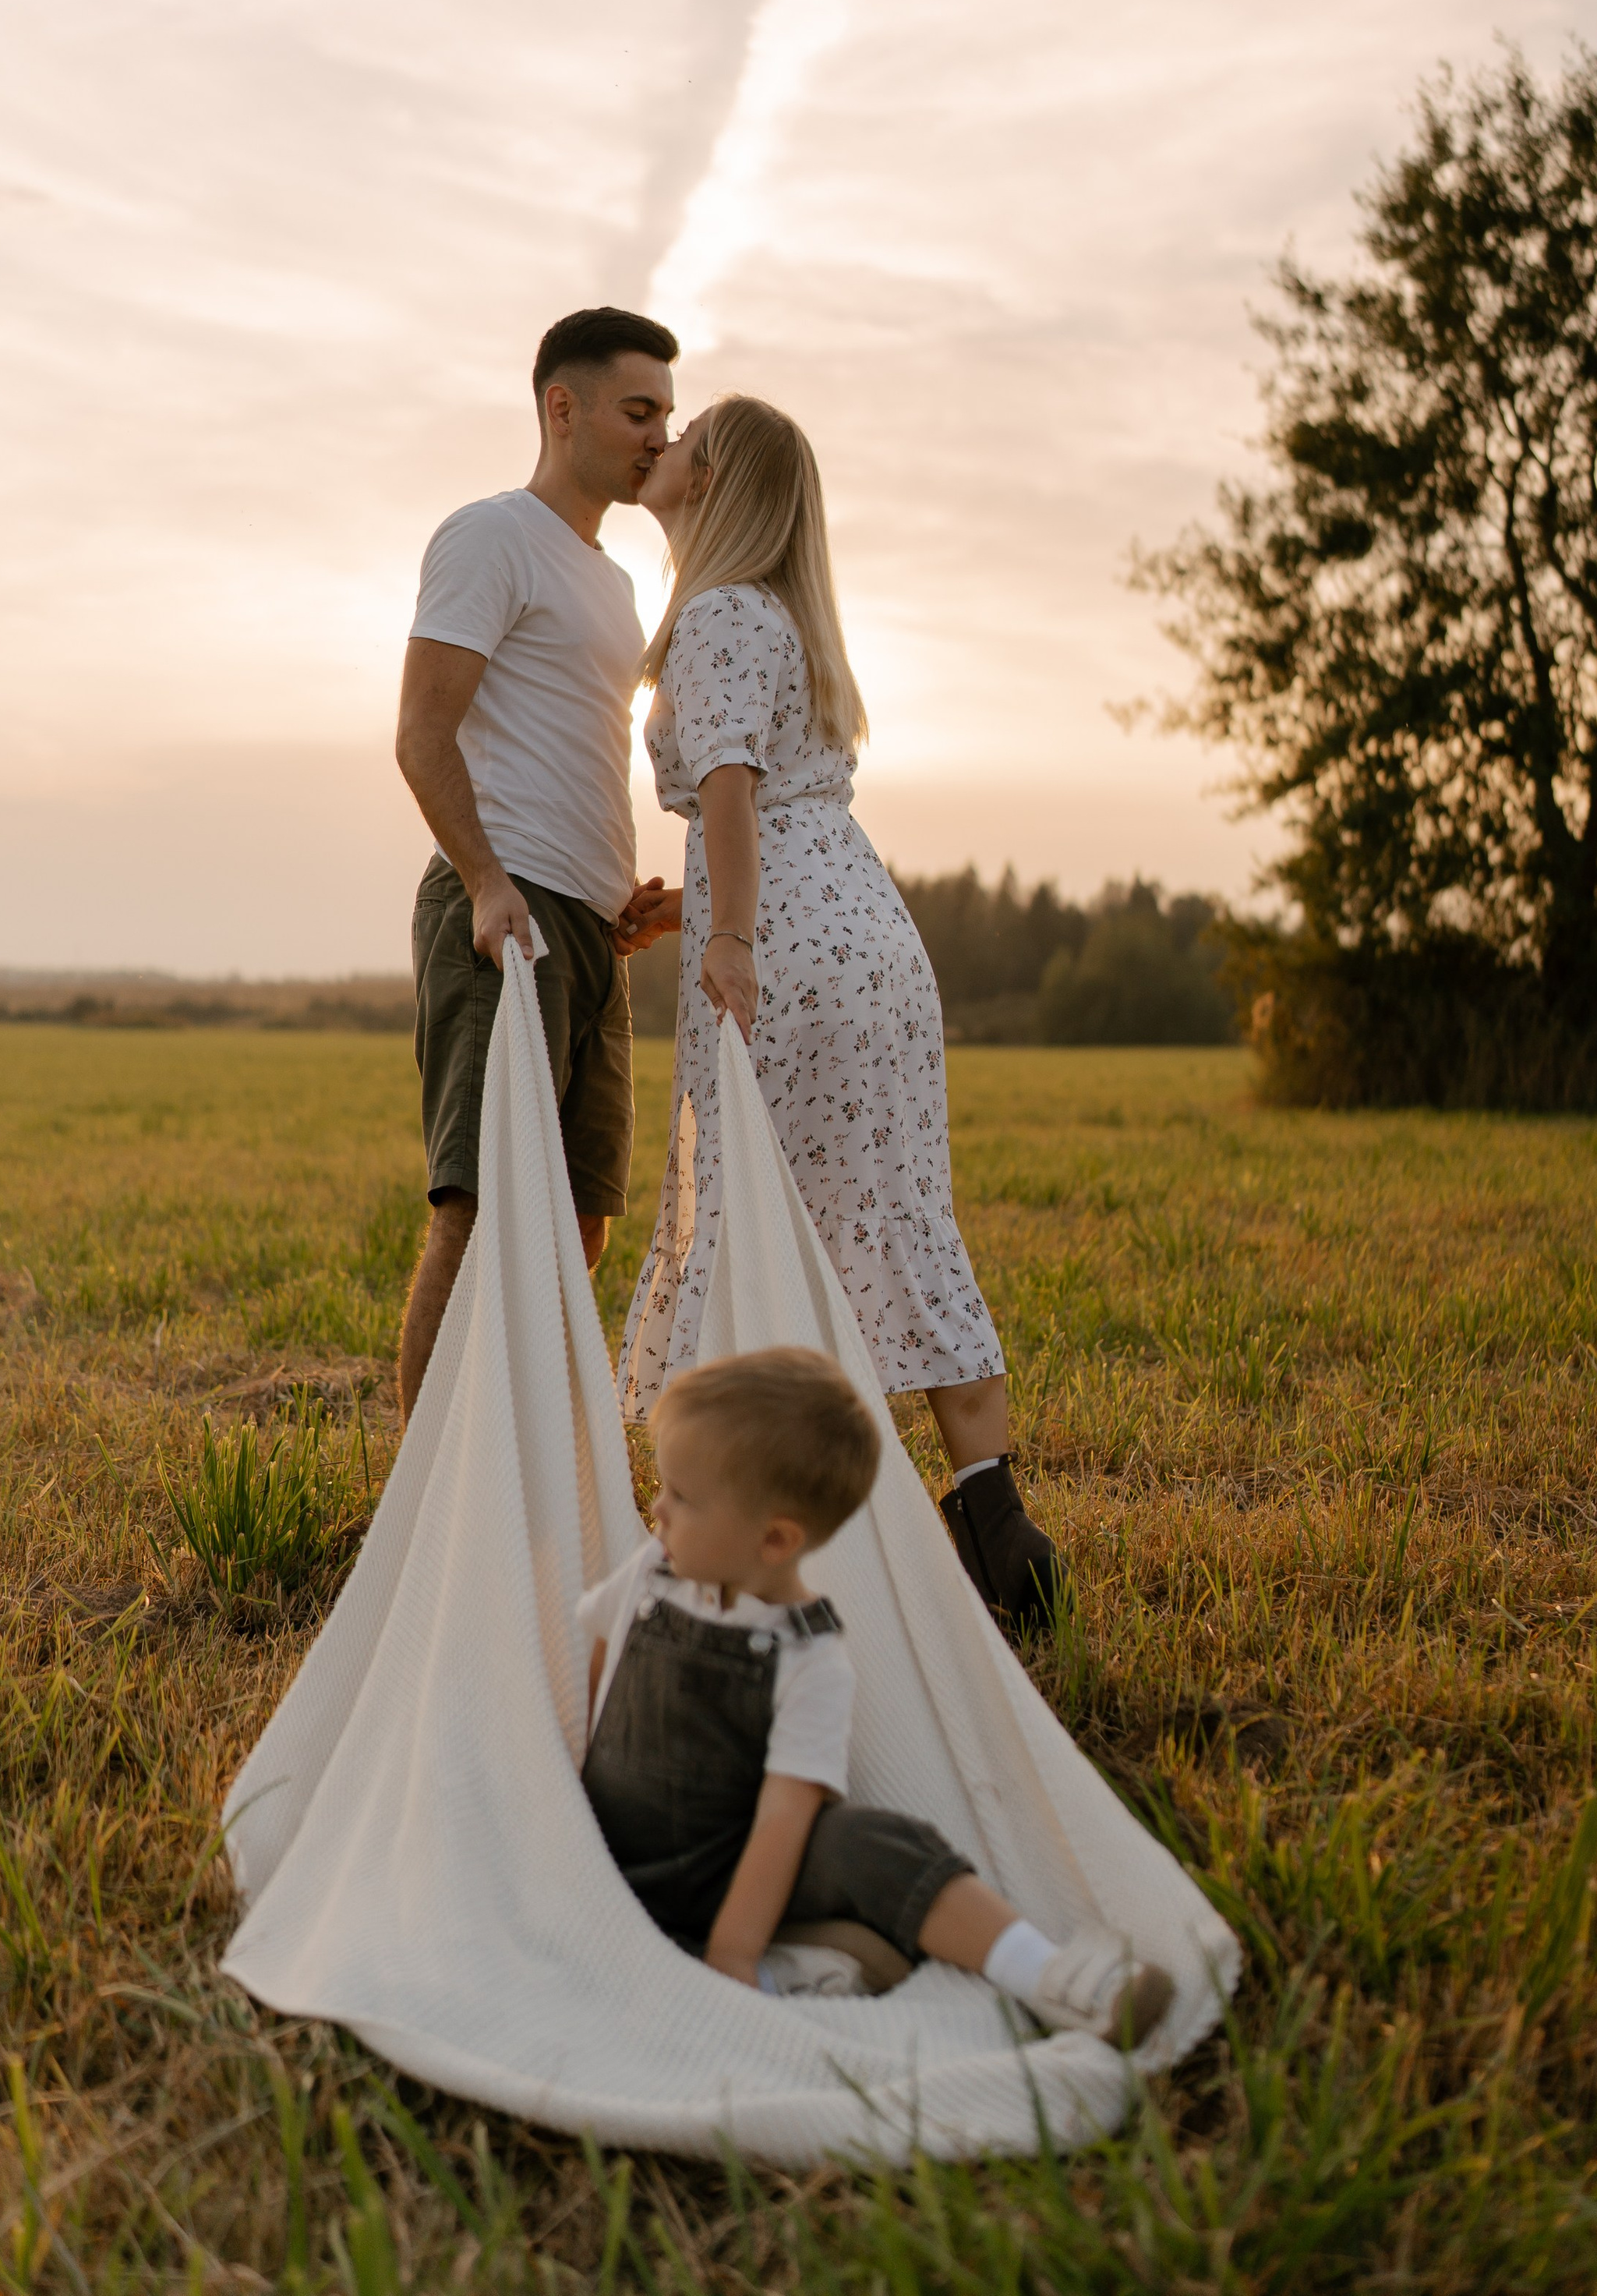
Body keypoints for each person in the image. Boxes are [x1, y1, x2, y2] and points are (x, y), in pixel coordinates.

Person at [611, 395, 1064, 1634]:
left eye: (687, 435)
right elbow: (751, 799)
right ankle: (996, 1519)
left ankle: (725, 1522)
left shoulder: (711, 616)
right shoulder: (786, 618)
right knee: (895, 1209)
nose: (666, 444)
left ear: (719, 482)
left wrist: (733, 939)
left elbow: (732, 791)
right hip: (870, 933)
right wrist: (699, 914)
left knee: (759, 1219)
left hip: (788, 946)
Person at [579, 1347, 1171, 2039]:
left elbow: (783, 1816)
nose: (658, 1509)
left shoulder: (809, 1653)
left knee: (875, 1843)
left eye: (682, 1497)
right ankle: (795, 1966)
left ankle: (1048, 1973)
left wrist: (732, 1954)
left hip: (730, 1876)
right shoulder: (652, 1572)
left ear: (774, 1539)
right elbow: (592, 1686)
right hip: (598, 1856)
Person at [393, 306, 678, 1423]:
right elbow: (423, 732)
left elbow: (573, 747)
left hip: (590, 928)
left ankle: (503, 1473)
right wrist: (485, 878)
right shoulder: (490, 535)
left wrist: (628, 900)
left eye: (667, 413)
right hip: (502, 917)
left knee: (583, 1222)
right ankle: (426, 1516)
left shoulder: (613, 583)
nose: (659, 434)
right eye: (637, 409)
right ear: (563, 408)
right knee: (475, 1210)